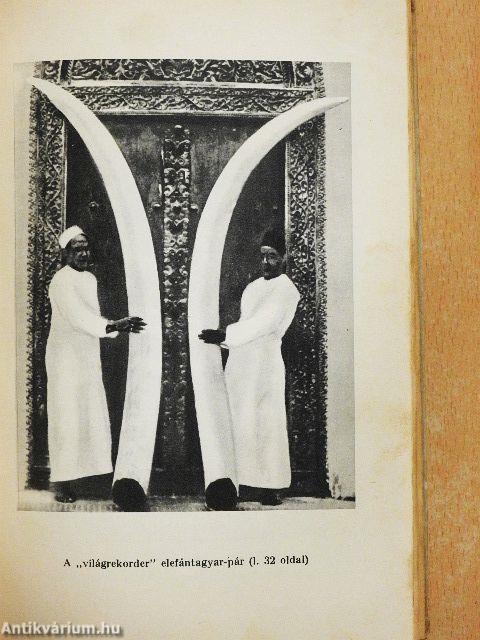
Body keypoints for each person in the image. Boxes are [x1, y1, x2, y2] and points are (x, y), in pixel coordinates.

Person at [199, 226, 300, 508]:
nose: (266, 262)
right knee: (240, 420)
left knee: (266, 422)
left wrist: (226, 334)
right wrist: (226, 340)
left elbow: (265, 323)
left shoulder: (287, 290)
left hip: (265, 364)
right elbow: (247, 324)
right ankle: (241, 481)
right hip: (241, 362)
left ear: (284, 257)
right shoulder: (252, 287)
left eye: (273, 256)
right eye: (263, 256)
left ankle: (271, 486)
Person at [46, 225, 145, 503]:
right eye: (77, 250)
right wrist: (114, 325)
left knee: (88, 414)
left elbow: (91, 317)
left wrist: (110, 326)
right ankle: (62, 483)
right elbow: (77, 316)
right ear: (65, 254)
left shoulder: (89, 279)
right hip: (65, 359)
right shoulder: (60, 281)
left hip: (86, 356)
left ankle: (88, 479)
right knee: (67, 416)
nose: (83, 254)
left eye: (86, 248)